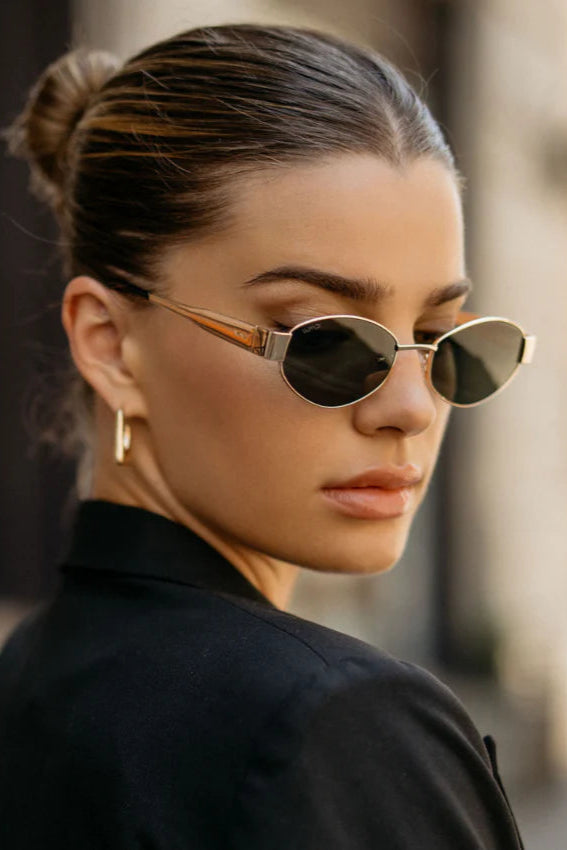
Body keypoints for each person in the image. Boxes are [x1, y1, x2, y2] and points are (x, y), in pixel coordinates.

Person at [0, 23, 534, 849]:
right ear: (109, 344)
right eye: (324, 339)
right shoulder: (336, 722)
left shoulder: (30, 674)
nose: (412, 407)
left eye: (442, 340)